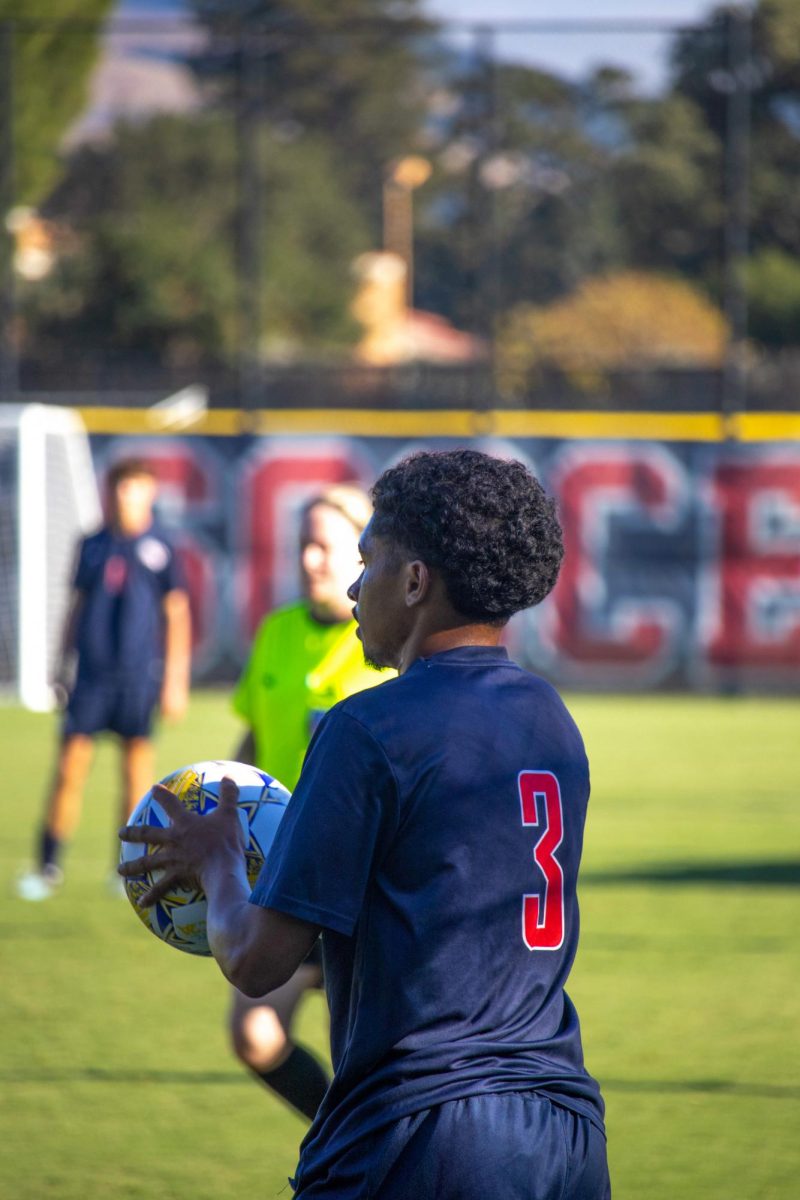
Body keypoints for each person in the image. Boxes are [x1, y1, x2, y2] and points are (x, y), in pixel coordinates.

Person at [120, 449, 610, 1200]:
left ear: (415, 582)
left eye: (367, 559)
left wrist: (220, 858)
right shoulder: (552, 718)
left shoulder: (366, 728)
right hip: (566, 1130)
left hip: (426, 1133)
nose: (353, 584)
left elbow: (256, 962)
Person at [229, 483, 388, 1121]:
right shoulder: (276, 631)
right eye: (303, 546)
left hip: (365, 889)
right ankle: (336, 1135)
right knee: (254, 1035)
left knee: (364, 1058)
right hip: (288, 879)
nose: (309, 561)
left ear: (363, 559)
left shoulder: (383, 646)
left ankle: (360, 1155)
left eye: (324, 548)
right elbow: (251, 739)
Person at [18, 457, 191, 901]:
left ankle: (127, 869)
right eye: (119, 487)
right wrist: (61, 663)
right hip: (92, 678)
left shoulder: (162, 546)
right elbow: (76, 606)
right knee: (68, 770)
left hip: (137, 678)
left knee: (136, 776)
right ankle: (48, 866)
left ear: (149, 493)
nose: (124, 496)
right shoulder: (92, 544)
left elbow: (176, 613)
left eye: (134, 488)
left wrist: (175, 678)